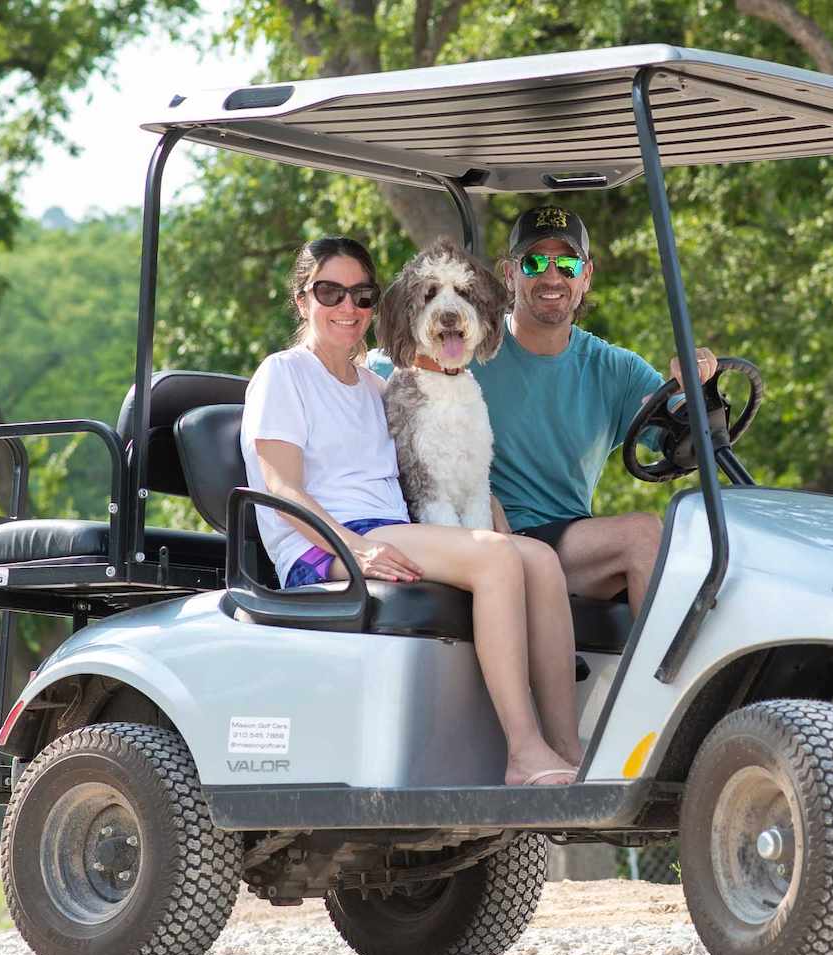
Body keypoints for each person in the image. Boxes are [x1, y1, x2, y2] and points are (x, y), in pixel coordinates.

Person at [241, 236, 583, 786]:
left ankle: (566, 749)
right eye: (330, 292)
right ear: (303, 300)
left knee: (539, 558)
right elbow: (282, 489)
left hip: (390, 532)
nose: (347, 307)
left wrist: (488, 501)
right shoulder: (283, 374)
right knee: (496, 560)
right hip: (324, 546)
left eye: (361, 295)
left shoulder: (375, 387)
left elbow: (433, 464)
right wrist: (358, 549)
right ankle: (523, 751)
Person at [382, 206, 715, 615]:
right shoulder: (462, 347)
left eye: (568, 264)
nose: (552, 277)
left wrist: (698, 391)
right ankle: (663, 679)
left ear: (586, 275)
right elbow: (375, 375)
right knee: (643, 534)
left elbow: (687, 441)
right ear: (509, 274)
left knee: (704, 563)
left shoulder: (615, 368)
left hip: (572, 542)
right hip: (488, 533)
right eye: (535, 262)